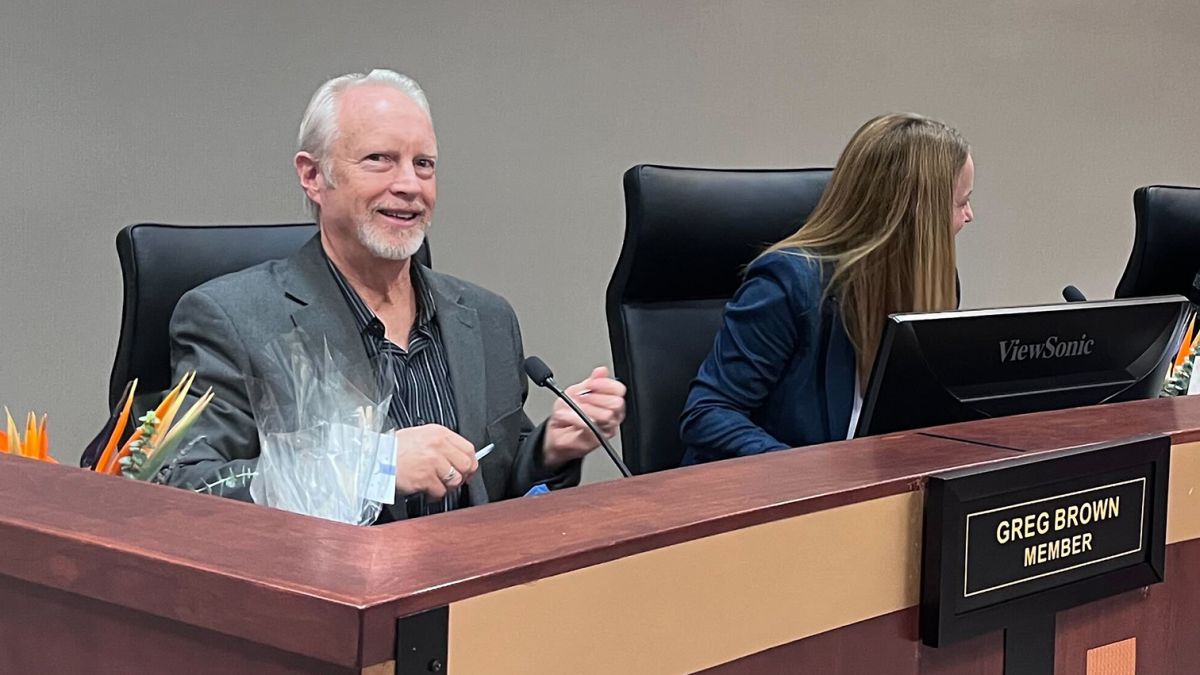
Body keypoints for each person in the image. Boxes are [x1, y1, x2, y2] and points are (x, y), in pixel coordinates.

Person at [159, 69, 626, 519]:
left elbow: (495, 488)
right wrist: (372, 468)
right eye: (379, 159)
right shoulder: (232, 318)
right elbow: (186, 492)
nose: (408, 185)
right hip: (336, 594)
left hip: (474, 593)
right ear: (312, 176)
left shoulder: (486, 318)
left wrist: (551, 447)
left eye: (424, 164)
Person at [679, 113, 973, 464]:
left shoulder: (935, 285)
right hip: (772, 500)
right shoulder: (789, 283)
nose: (969, 215)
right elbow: (708, 414)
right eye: (960, 202)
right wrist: (809, 476)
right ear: (917, 213)